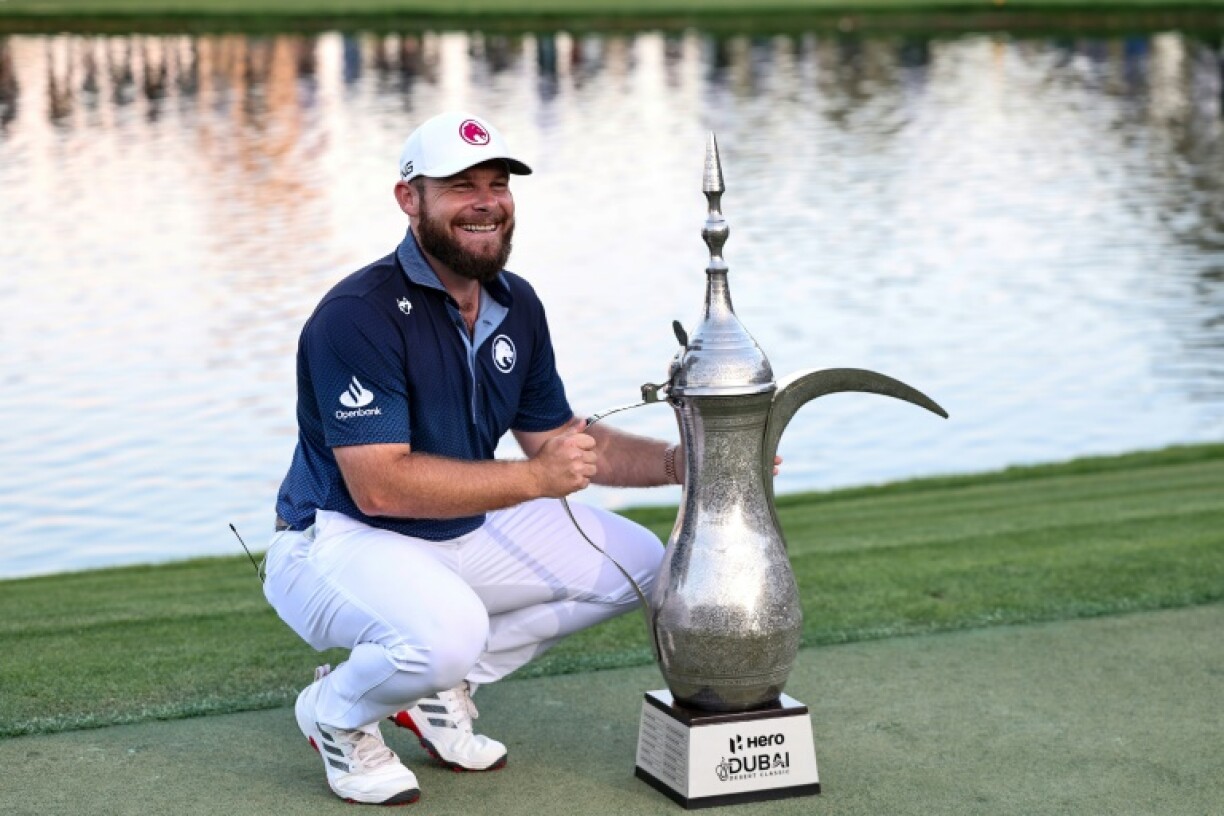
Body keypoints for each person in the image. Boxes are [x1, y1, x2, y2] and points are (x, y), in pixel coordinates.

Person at [263, 111, 682, 806]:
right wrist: (533, 480)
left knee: (642, 567)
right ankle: (335, 713)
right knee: (448, 632)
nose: (486, 201)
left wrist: (680, 464)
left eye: (498, 183)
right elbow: (377, 486)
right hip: (334, 539)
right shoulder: (356, 314)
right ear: (409, 199)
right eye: (461, 186)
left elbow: (559, 444)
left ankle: (436, 692)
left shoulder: (516, 305)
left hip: (457, 530)